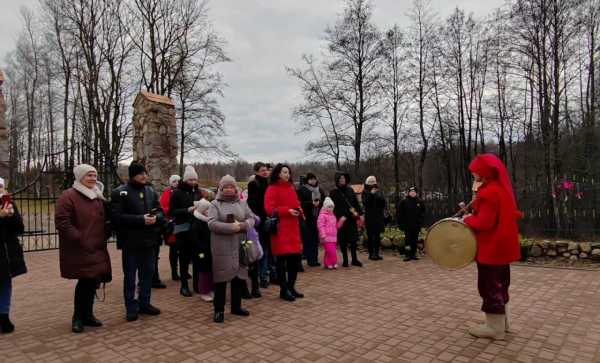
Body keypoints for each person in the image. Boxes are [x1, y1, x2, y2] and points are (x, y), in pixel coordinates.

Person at [463, 154, 521, 340]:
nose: (473, 175)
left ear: (483, 174)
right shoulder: (500, 189)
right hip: (501, 248)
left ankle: (494, 329)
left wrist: (467, 219)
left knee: (489, 286)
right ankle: (504, 324)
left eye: (475, 173)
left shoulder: (489, 193)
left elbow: (484, 223)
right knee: (502, 285)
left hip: (491, 249)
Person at [56, 165, 112, 333]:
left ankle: (88, 315)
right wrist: (79, 238)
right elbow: (62, 221)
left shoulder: (97, 195)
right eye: (89, 175)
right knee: (84, 282)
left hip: (97, 247)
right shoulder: (69, 196)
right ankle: (78, 318)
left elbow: (105, 219)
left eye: (95, 175)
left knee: (92, 282)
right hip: (80, 248)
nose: (93, 178)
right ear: (80, 177)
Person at [111, 162, 163, 322]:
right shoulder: (119, 192)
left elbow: (160, 211)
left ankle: (144, 303)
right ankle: (131, 307)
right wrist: (141, 220)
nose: (144, 176)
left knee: (147, 273)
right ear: (132, 175)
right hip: (130, 242)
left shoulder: (150, 191)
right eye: (140, 173)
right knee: (130, 276)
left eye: (145, 173)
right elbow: (116, 217)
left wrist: (156, 218)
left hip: (149, 241)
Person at [208, 175, 255, 323]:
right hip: (222, 246)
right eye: (226, 187)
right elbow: (211, 223)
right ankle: (219, 310)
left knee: (238, 277)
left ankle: (236, 306)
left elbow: (251, 218)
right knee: (221, 279)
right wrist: (231, 227)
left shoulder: (242, 203)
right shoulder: (215, 204)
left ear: (236, 188)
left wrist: (241, 226)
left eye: (231, 186)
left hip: (240, 244)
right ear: (220, 189)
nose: (229, 189)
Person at [265, 164, 304, 302]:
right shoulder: (272, 188)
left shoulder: (291, 188)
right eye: (284, 172)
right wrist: (287, 211)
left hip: (293, 228)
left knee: (294, 260)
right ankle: (283, 290)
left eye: (288, 172)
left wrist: (299, 209)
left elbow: (296, 203)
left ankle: (291, 287)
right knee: (282, 262)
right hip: (281, 229)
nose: (287, 174)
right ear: (278, 173)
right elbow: (269, 209)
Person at [170, 166, 202, 297]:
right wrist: (187, 210)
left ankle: (197, 284)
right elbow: (172, 212)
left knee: (198, 258)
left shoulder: (198, 192)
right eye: (190, 180)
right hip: (183, 229)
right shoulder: (177, 193)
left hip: (197, 229)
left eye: (195, 179)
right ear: (185, 180)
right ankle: (184, 285)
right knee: (184, 258)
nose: (193, 182)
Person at [0, 177, 25, 334]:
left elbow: (20, 228)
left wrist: (11, 215)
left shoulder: (7, 203)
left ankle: (3, 316)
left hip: (7, 253)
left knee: (5, 284)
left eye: (1, 186)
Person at [329, 172, 363, 268]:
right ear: (337, 180)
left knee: (353, 240)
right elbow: (333, 207)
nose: (342, 180)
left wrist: (359, 214)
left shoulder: (350, 190)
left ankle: (354, 259)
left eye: (343, 178)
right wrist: (340, 216)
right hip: (341, 220)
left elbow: (355, 203)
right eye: (340, 179)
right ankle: (345, 260)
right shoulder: (333, 192)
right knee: (343, 241)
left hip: (351, 219)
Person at [247, 162, 272, 288]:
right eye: (262, 170)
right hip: (259, 222)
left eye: (266, 170)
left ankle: (265, 276)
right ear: (256, 171)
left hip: (268, 220)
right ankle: (259, 277)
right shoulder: (253, 184)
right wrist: (262, 216)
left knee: (267, 250)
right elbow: (253, 204)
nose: (265, 172)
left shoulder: (269, 184)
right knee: (259, 250)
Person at [297, 173, 325, 267]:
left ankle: (315, 259)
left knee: (315, 239)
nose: (313, 181)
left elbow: (325, 201)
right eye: (311, 179)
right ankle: (310, 259)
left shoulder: (320, 190)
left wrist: (319, 203)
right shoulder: (302, 190)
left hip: (317, 217)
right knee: (308, 240)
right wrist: (311, 203)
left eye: (314, 179)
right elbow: (299, 203)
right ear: (307, 180)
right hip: (306, 218)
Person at [191, 198, 214, 302]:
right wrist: (203, 250)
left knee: (210, 271)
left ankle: (210, 289)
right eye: (207, 209)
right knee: (204, 272)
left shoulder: (208, 222)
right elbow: (195, 240)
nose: (209, 211)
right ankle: (204, 291)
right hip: (202, 252)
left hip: (210, 250)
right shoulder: (197, 223)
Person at [159, 174, 181, 281]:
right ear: (170, 183)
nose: (176, 183)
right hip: (172, 225)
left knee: (182, 249)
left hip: (182, 223)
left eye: (178, 181)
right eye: (174, 181)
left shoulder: (182, 192)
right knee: (174, 249)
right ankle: (174, 272)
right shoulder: (167, 193)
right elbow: (163, 207)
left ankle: (183, 271)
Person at [396, 186, 426, 261]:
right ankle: (407, 254)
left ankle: (414, 254)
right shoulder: (404, 202)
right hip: (407, 225)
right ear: (409, 193)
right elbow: (400, 214)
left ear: (416, 193)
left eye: (414, 192)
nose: (412, 193)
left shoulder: (420, 202)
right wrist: (401, 224)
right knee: (408, 240)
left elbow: (423, 213)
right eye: (411, 192)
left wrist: (420, 221)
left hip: (416, 225)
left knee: (414, 240)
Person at [362, 176, 386, 261]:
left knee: (377, 236)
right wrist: (371, 194)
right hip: (370, 217)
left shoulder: (378, 191)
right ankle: (371, 254)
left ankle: (376, 253)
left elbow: (383, 203)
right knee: (370, 236)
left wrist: (379, 197)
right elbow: (365, 203)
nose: (372, 183)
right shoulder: (365, 192)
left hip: (378, 216)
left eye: (373, 182)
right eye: (371, 182)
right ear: (367, 183)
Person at [317, 197, 342, 269]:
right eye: (329, 207)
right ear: (325, 207)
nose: (330, 208)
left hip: (333, 237)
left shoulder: (333, 215)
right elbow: (320, 225)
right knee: (331, 251)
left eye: (332, 207)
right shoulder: (322, 215)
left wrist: (340, 222)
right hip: (326, 237)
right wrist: (323, 234)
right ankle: (334, 262)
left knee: (329, 251)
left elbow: (335, 226)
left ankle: (327, 263)